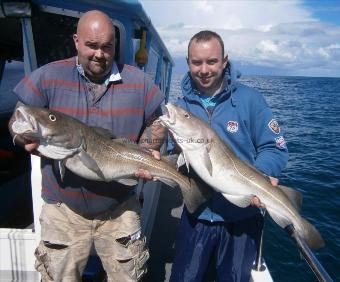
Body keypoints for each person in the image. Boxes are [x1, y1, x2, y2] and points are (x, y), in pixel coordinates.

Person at [9, 10, 165, 282]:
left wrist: (147, 148)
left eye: (107, 47)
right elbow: (19, 116)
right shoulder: (48, 76)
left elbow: (158, 121)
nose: (100, 54)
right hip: (63, 209)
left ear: (115, 46)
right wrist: (21, 135)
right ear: (76, 41)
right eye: (92, 46)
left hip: (120, 208)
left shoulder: (139, 82)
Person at [168, 30, 289, 282]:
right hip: (196, 217)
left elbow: (275, 147)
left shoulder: (250, 100)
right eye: (196, 62)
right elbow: (177, 156)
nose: (204, 69)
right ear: (188, 62)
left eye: (212, 61)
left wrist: (262, 175)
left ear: (225, 60)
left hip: (242, 221)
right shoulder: (182, 106)